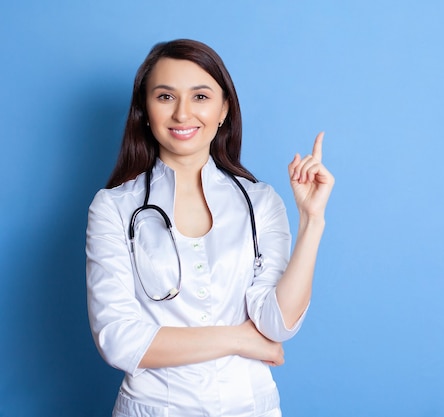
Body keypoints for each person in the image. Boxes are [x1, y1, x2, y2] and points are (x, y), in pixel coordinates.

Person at [86, 39, 334, 417]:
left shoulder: (260, 201)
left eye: (200, 97)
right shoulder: (113, 208)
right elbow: (118, 341)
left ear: (223, 110)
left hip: (251, 407)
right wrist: (240, 339)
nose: (183, 114)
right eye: (165, 97)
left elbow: (277, 324)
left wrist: (312, 221)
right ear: (144, 111)